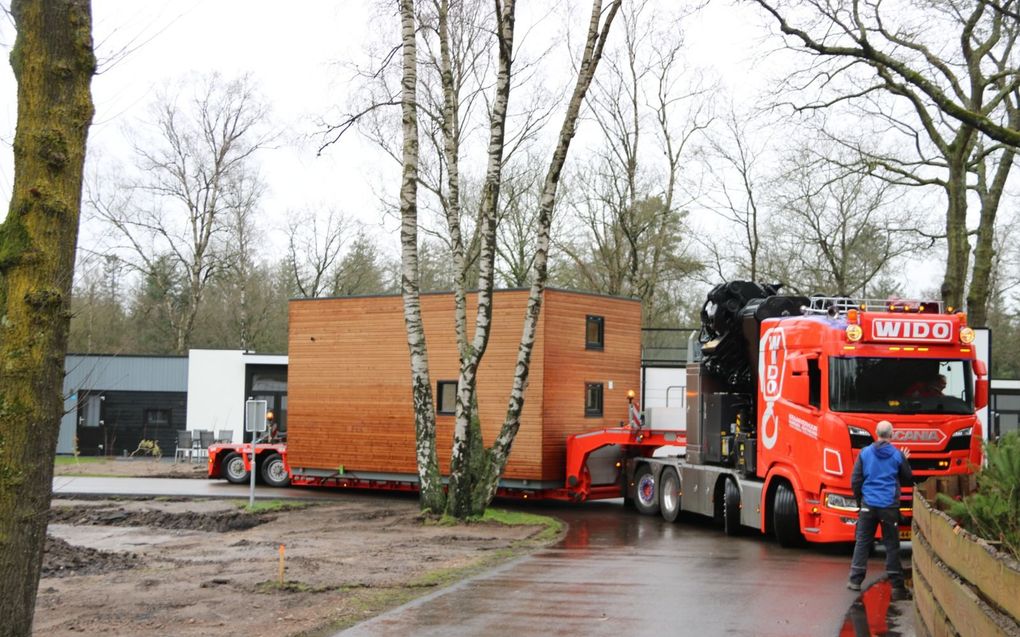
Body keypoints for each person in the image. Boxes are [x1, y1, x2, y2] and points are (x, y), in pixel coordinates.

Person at [847, 420, 912, 597]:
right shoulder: (897, 456)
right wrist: (905, 461)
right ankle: (897, 586)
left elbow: (856, 480)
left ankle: (855, 580)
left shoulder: (865, 453)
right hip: (889, 507)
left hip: (869, 505)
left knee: (862, 542)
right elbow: (907, 478)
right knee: (892, 545)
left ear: (876, 433)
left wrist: (861, 501)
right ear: (891, 435)